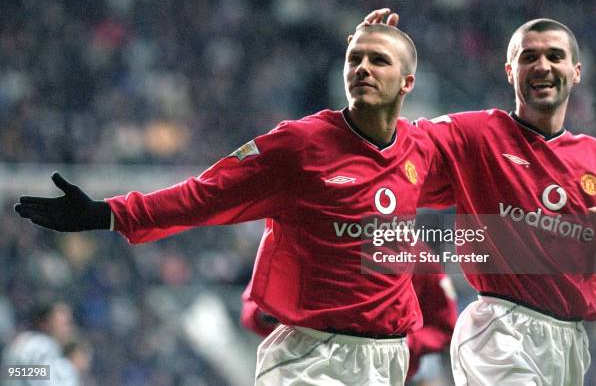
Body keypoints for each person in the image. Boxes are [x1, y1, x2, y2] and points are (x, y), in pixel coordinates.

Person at [14, 23, 452, 385]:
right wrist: (108, 213)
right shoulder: (299, 145)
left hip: (389, 362)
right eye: (354, 58)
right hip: (314, 359)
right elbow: (204, 195)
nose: (362, 68)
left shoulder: (421, 150)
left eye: (378, 60)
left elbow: (497, 160)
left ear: (408, 82)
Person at [362, 9, 596, 386]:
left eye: (555, 56)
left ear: (576, 72)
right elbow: (393, 145)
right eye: (529, 57)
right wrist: (378, 71)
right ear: (510, 71)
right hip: (500, 331)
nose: (542, 66)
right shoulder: (475, 135)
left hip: (570, 341)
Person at [241, 272, 458, 385]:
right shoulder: (307, 243)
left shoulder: (414, 256)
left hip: (392, 374)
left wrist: (405, 343)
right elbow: (253, 308)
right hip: (313, 368)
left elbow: (444, 326)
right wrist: (274, 314)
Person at [1, 301, 82, 386]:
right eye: (64, 322)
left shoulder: (21, 341)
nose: (68, 326)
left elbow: (8, 373)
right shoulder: (42, 346)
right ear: (44, 322)